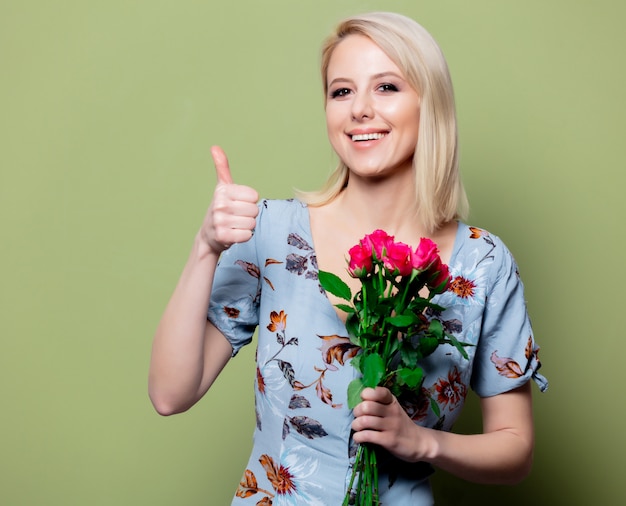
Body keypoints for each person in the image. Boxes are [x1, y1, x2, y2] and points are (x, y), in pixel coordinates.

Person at [149, 11, 547, 505]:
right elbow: (170, 394)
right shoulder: (271, 232)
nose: (360, 109)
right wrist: (205, 247)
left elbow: (516, 448)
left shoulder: (483, 264)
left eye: (386, 87)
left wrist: (422, 442)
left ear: (431, 104)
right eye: (342, 91)